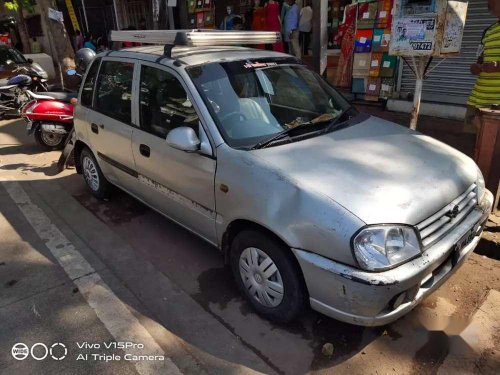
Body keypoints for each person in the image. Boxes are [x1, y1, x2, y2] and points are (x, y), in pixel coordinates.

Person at [465, 0, 500, 132]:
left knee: (492, 148)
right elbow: (481, 59)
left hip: (497, 105)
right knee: (471, 143)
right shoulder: (488, 31)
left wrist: (497, 66)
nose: (488, 2)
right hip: (478, 99)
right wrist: (476, 67)